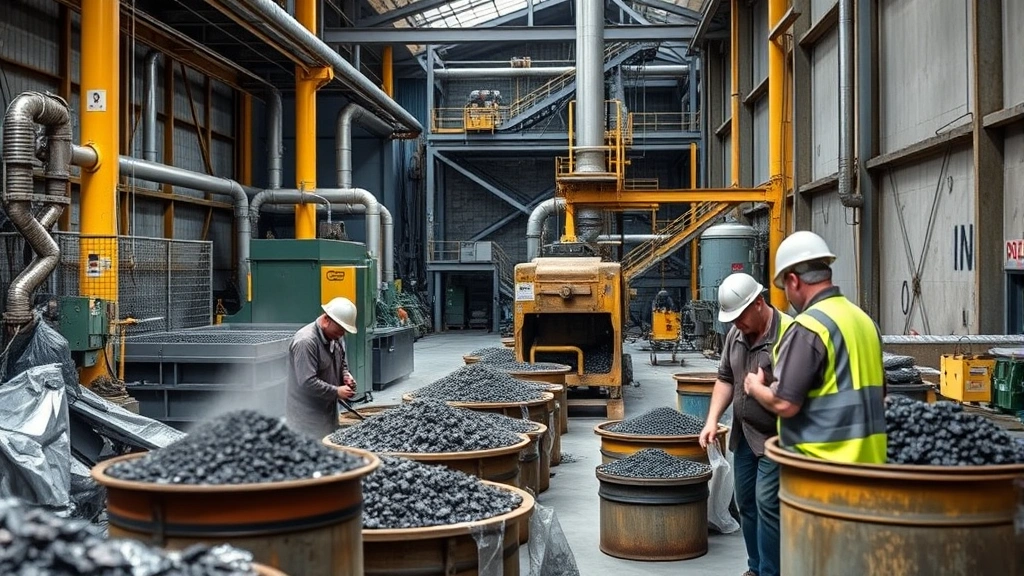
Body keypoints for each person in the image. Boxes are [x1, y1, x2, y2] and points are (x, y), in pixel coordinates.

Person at [744, 231, 887, 463]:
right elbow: (880, 393)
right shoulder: (865, 321)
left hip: (824, 468)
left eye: (785, 288)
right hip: (871, 465)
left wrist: (754, 387)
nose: (788, 296)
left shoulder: (809, 328)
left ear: (793, 280)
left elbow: (785, 403)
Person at [698, 272, 791, 576]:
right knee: (746, 503)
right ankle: (755, 567)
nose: (736, 324)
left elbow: (795, 395)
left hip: (776, 439)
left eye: (740, 317)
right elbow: (725, 378)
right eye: (732, 319)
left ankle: (770, 571)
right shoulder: (735, 336)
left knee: (767, 504)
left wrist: (761, 390)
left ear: (759, 303)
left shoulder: (789, 336)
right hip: (745, 436)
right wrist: (711, 420)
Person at [286, 297, 359, 439]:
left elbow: (342, 361)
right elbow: (307, 382)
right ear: (326, 320)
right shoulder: (305, 342)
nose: (342, 334)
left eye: (344, 331)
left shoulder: (336, 336)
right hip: (307, 422)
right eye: (340, 330)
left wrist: (346, 375)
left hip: (328, 416)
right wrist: (337, 391)